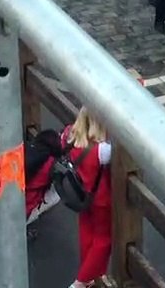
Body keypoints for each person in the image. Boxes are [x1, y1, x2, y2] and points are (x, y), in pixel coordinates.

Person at [63, 108, 113, 288]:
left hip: (81, 195)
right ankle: (81, 281)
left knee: (86, 232)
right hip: (100, 199)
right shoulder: (104, 151)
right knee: (104, 240)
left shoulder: (69, 134)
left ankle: (88, 275)